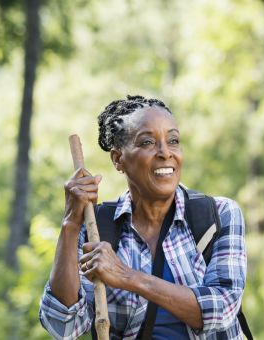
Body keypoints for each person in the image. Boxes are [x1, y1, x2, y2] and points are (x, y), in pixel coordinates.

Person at [39, 95, 247, 339]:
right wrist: (70, 223)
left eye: (173, 140)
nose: (165, 153)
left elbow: (222, 309)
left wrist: (127, 277)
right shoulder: (97, 228)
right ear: (118, 159)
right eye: (147, 142)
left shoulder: (217, 216)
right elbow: (62, 326)